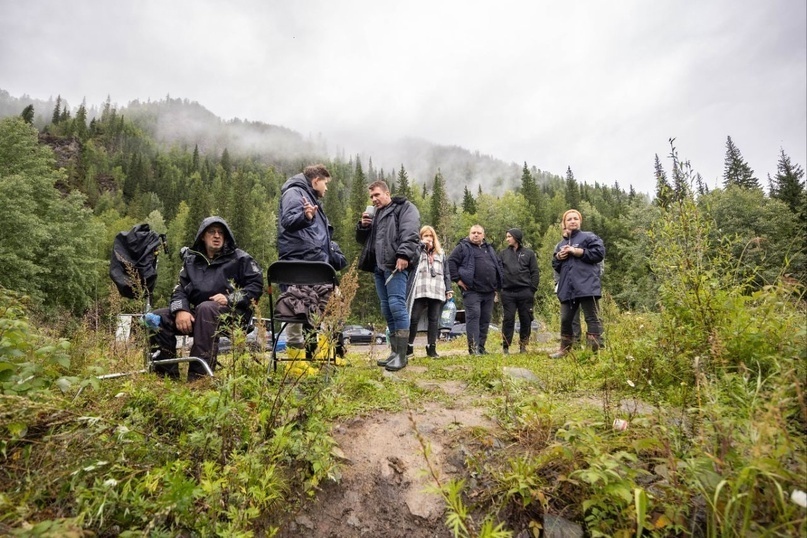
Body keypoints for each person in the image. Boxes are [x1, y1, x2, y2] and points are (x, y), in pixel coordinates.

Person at [150, 216, 264, 380]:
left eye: (221, 232)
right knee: (158, 317)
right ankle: (166, 376)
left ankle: (199, 378)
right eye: (212, 232)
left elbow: (255, 286)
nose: (217, 235)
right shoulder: (191, 261)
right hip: (200, 313)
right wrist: (181, 309)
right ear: (202, 236)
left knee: (206, 308)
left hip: (234, 315)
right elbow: (179, 290)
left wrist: (230, 298)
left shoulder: (240, 259)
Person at [277, 164, 347, 356]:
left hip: (314, 264)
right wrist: (305, 216)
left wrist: (334, 255)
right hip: (299, 266)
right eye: (325, 182)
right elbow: (289, 221)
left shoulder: (307, 195)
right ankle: (297, 360)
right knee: (296, 309)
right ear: (316, 181)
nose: (327, 187)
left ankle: (326, 354)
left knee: (330, 306)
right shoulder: (295, 193)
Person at [356, 180, 421, 372]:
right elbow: (363, 241)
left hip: (396, 264)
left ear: (387, 193)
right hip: (379, 266)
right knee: (386, 308)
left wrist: (403, 255)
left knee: (396, 305)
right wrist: (363, 226)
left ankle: (402, 355)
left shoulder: (404, 208)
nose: (374, 199)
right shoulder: (375, 214)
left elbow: (410, 232)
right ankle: (394, 352)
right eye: (371, 197)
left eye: (377, 195)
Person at [550, 209, 606, 358]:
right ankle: (565, 350)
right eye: (569, 219)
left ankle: (594, 350)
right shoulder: (561, 243)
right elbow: (555, 265)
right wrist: (559, 257)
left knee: (592, 318)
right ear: (564, 223)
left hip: (587, 285)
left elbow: (599, 253)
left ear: (580, 221)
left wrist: (577, 251)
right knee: (566, 319)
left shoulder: (588, 237)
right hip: (568, 288)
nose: (573, 221)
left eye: (575, 218)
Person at [447, 224, 503, 355]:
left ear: (483, 235)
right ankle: (473, 349)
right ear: (469, 234)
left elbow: (498, 264)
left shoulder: (489, 248)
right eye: (473, 232)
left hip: (489, 291)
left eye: (478, 233)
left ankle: (481, 348)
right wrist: (458, 280)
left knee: (485, 320)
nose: (476, 235)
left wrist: (497, 284)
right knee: (473, 318)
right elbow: (451, 262)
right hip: (472, 291)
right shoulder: (462, 247)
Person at [407, 225, 453, 358]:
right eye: (425, 236)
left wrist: (448, 288)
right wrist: (420, 246)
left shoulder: (441, 253)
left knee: (434, 319)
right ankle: (409, 347)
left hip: (437, 289)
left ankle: (431, 347)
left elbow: (446, 273)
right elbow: (411, 262)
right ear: (421, 238)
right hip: (420, 289)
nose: (428, 238)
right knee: (414, 317)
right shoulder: (417, 251)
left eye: (430, 235)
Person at [498, 228, 539, 354]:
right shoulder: (503, 253)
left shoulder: (529, 253)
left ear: (516, 237)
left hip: (525, 291)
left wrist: (532, 289)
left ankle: (523, 346)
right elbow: (498, 272)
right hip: (508, 292)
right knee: (508, 319)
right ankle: (506, 346)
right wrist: (499, 288)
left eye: (509, 236)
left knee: (525, 319)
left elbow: (535, 272)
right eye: (507, 236)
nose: (507, 239)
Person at [553, 227, 582, 344]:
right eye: (564, 227)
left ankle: (597, 344)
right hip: (566, 285)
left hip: (584, 284)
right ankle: (574, 342)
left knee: (593, 315)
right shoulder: (559, 245)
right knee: (570, 317)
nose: (566, 230)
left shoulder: (584, 241)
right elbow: (555, 265)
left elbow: (597, 262)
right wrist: (557, 282)